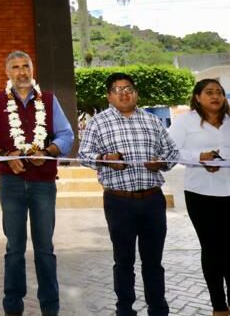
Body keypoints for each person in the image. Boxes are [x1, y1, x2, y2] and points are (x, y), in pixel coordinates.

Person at [0, 51, 74, 316]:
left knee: (45, 249)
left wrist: (49, 151)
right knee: (14, 249)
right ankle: (12, 306)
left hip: (44, 184)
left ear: (32, 69)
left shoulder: (49, 100)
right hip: (11, 184)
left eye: (26, 66)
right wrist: (5, 155)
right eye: (16, 67)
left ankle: (50, 307)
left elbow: (66, 135)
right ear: (7, 72)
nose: (22, 72)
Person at [78, 72, 179, 316]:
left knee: (153, 261)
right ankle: (124, 309)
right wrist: (105, 158)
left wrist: (161, 163)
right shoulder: (98, 122)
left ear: (136, 94)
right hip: (119, 201)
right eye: (117, 89)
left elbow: (173, 153)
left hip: (152, 200)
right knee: (123, 261)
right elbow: (83, 155)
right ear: (109, 96)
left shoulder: (153, 121)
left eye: (129, 89)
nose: (124, 93)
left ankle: (158, 309)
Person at [168, 79, 230, 316]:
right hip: (202, 194)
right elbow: (170, 152)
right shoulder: (184, 122)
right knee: (212, 251)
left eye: (219, 92)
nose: (215, 96)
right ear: (197, 97)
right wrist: (200, 157)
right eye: (209, 92)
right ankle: (219, 307)